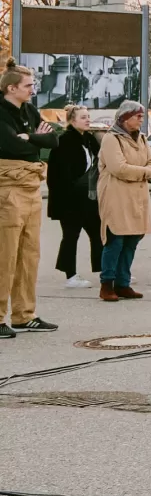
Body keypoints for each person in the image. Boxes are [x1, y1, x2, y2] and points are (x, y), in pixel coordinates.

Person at [0, 67, 60, 333]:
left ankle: (24, 314)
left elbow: (53, 139)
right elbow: (12, 146)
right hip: (8, 185)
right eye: (28, 85)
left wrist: (31, 137)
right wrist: (35, 140)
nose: (33, 89)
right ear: (11, 88)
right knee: (5, 254)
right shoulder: (1, 112)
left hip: (31, 183)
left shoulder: (29, 110)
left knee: (29, 254)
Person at [98, 101, 151, 302]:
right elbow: (118, 168)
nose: (141, 120)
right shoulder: (111, 139)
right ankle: (107, 284)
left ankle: (123, 283)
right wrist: (145, 173)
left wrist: (146, 171)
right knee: (116, 239)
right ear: (125, 118)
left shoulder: (141, 138)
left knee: (132, 239)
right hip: (116, 195)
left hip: (137, 196)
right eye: (138, 117)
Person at [49, 105, 104, 287]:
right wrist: (70, 192)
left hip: (88, 197)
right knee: (71, 235)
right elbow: (60, 174)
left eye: (88, 116)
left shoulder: (88, 139)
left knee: (97, 233)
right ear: (72, 121)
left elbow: (100, 159)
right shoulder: (64, 140)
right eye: (83, 117)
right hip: (69, 199)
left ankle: (106, 270)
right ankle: (70, 275)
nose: (88, 120)